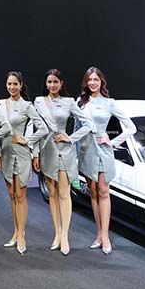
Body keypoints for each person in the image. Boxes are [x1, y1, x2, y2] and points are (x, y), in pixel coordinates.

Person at [74, 66, 135, 254]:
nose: (92, 83)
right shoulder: (80, 102)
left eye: (96, 79)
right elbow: (76, 129)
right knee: (92, 192)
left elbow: (131, 128)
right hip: (86, 151)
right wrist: (75, 155)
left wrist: (112, 141)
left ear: (101, 82)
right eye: (89, 80)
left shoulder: (110, 103)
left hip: (103, 151)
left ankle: (106, 236)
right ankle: (99, 234)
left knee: (103, 191)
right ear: (86, 83)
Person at [0, 70, 49, 254]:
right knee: (11, 194)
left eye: (15, 84)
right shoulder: (1, 104)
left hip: (22, 154)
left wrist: (27, 140)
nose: (12, 87)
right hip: (6, 153)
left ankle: (22, 235)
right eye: (9, 84)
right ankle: (16, 232)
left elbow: (42, 128)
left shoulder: (26, 105)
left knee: (20, 195)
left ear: (21, 85)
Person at [32, 68, 86, 255]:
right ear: (46, 84)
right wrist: (35, 153)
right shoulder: (39, 101)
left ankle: (65, 235)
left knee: (64, 193)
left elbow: (88, 124)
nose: (52, 85)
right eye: (49, 82)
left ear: (61, 83)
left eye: (56, 81)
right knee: (52, 194)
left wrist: (70, 138)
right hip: (47, 151)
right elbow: (35, 128)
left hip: (64, 152)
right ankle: (57, 232)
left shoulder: (69, 102)